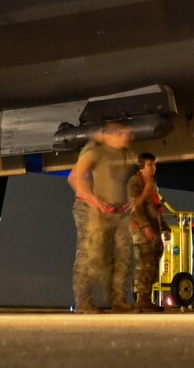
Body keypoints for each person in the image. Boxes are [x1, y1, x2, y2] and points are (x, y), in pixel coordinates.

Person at [67, 121, 136, 312]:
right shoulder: (96, 153)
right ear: (112, 134)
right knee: (89, 255)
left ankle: (119, 301)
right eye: (124, 132)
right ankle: (83, 302)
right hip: (95, 212)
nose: (129, 135)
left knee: (124, 257)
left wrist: (133, 200)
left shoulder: (128, 154)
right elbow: (74, 177)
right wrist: (94, 200)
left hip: (120, 213)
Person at [126, 152, 169, 310]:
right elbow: (135, 208)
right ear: (141, 166)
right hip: (141, 230)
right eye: (150, 165)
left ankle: (146, 299)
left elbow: (157, 208)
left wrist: (164, 227)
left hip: (154, 228)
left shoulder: (152, 184)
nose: (153, 168)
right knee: (146, 262)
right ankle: (142, 299)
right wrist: (145, 228)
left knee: (153, 262)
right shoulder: (136, 182)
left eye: (154, 164)